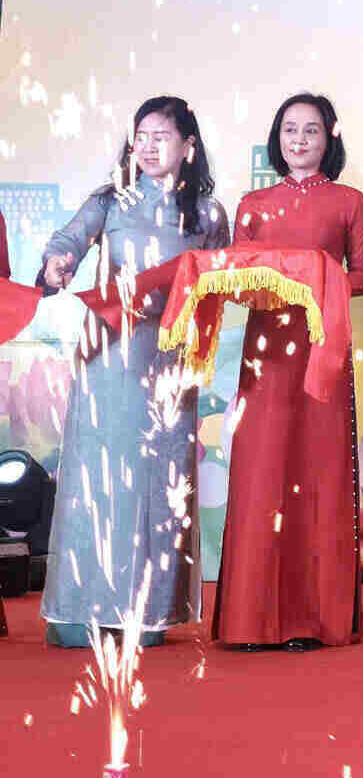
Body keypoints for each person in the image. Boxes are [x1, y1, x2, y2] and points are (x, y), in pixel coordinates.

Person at [35, 94, 230, 647]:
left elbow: (219, 283)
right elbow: (69, 241)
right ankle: (81, 610)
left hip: (169, 363)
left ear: (188, 147)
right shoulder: (110, 201)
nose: (147, 145)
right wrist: (59, 262)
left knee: (155, 482)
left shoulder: (209, 216)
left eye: (160, 136)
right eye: (140, 135)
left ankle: (147, 611)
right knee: (98, 481)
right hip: (108, 358)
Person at [215, 93, 363, 650]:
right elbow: (234, 275)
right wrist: (269, 279)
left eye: (311, 130)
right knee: (261, 473)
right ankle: (250, 618)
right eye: (289, 130)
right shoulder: (253, 203)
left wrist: (311, 273)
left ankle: (310, 619)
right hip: (265, 353)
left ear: (330, 137)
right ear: (276, 137)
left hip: (321, 348)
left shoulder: (349, 201)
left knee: (318, 474)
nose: (300, 140)